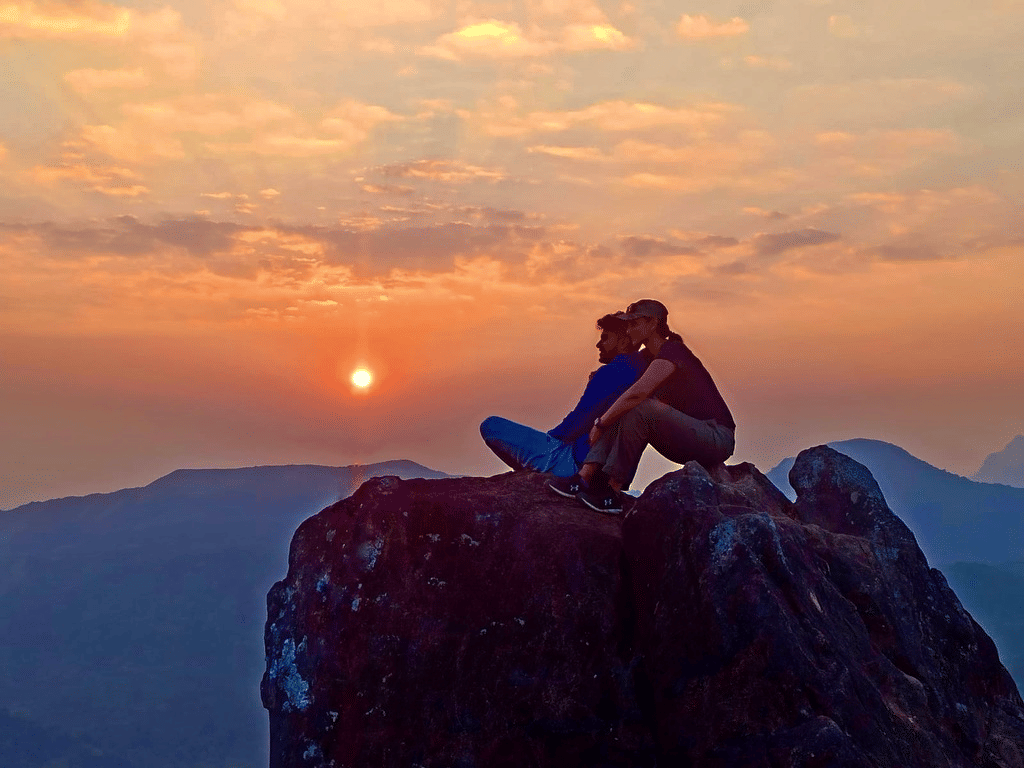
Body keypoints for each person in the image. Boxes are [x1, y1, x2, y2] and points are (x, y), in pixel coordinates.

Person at [548, 299, 735, 514]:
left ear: (653, 324)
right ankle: (584, 478)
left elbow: (637, 394)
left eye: (634, 324)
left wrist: (600, 424)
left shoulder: (673, 351)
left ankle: (612, 492)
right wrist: (598, 378)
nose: (629, 330)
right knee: (624, 405)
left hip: (716, 438)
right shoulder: (647, 357)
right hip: (684, 438)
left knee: (639, 406)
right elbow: (622, 381)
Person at [480, 313, 648, 477]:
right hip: (606, 469)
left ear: (624, 341)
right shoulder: (642, 371)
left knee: (490, 425)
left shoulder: (613, 371)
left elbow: (580, 419)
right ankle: (532, 474)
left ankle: (533, 476)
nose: (598, 344)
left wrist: (551, 438)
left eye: (605, 338)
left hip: (572, 459)